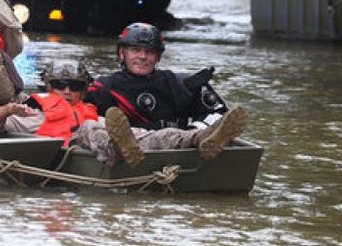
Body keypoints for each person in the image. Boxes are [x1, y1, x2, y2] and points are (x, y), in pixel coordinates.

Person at [0, 59, 247, 167]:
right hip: (78, 142)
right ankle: (119, 146)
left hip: (111, 132)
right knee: (92, 131)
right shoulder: (28, 110)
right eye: (60, 85)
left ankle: (201, 139)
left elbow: (113, 125)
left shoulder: (92, 110)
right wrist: (7, 109)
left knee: (150, 135)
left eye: (75, 86)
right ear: (48, 86)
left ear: (85, 89)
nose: (67, 91)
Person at [83, 22, 247, 165]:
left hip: (181, 148)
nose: (142, 56)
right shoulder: (103, 87)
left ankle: (197, 139)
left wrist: (194, 130)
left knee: (210, 129)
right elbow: (76, 115)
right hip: (131, 153)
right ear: (121, 53)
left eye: (149, 52)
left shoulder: (181, 84)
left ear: (158, 57)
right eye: (135, 50)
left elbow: (221, 115)